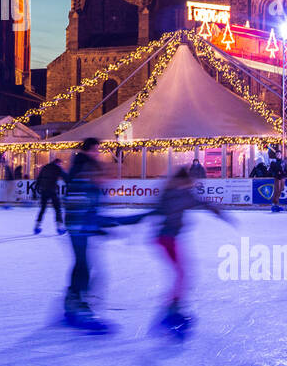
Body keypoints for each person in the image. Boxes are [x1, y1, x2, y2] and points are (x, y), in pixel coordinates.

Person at [62, 138, 147, 333]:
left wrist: (101, 225)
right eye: (97, 150)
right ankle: (80, 307)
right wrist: (112, 223)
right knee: (84, 266)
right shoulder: (84, 179)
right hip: (78, 228)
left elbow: (89, 212)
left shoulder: (88, 179)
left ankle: (72, 301)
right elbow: (80, 209)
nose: (111, 180)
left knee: (82, 264)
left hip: (80, 227)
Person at [150, 167, 224, 336]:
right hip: (167, 239)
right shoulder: (178, 194)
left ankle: (172, 310)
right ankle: (170, 312)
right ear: (183, 181)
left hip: (165, 238)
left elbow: (196, 202)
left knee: (181, 274)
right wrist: (216, 211)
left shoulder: (169, 192)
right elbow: (198, 202)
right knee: (182, 274)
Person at [33, 158, 65, 235]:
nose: (60, 165)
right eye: (60, 163)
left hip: (44, 190)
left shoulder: (45, 167)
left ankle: (37, 227)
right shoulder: (57, 168)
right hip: (52, 191)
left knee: (42, 209)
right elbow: (65, 177)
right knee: (57, 208)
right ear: (57, 163)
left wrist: (35, 191)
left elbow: (39, 178)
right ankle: (59, 227)